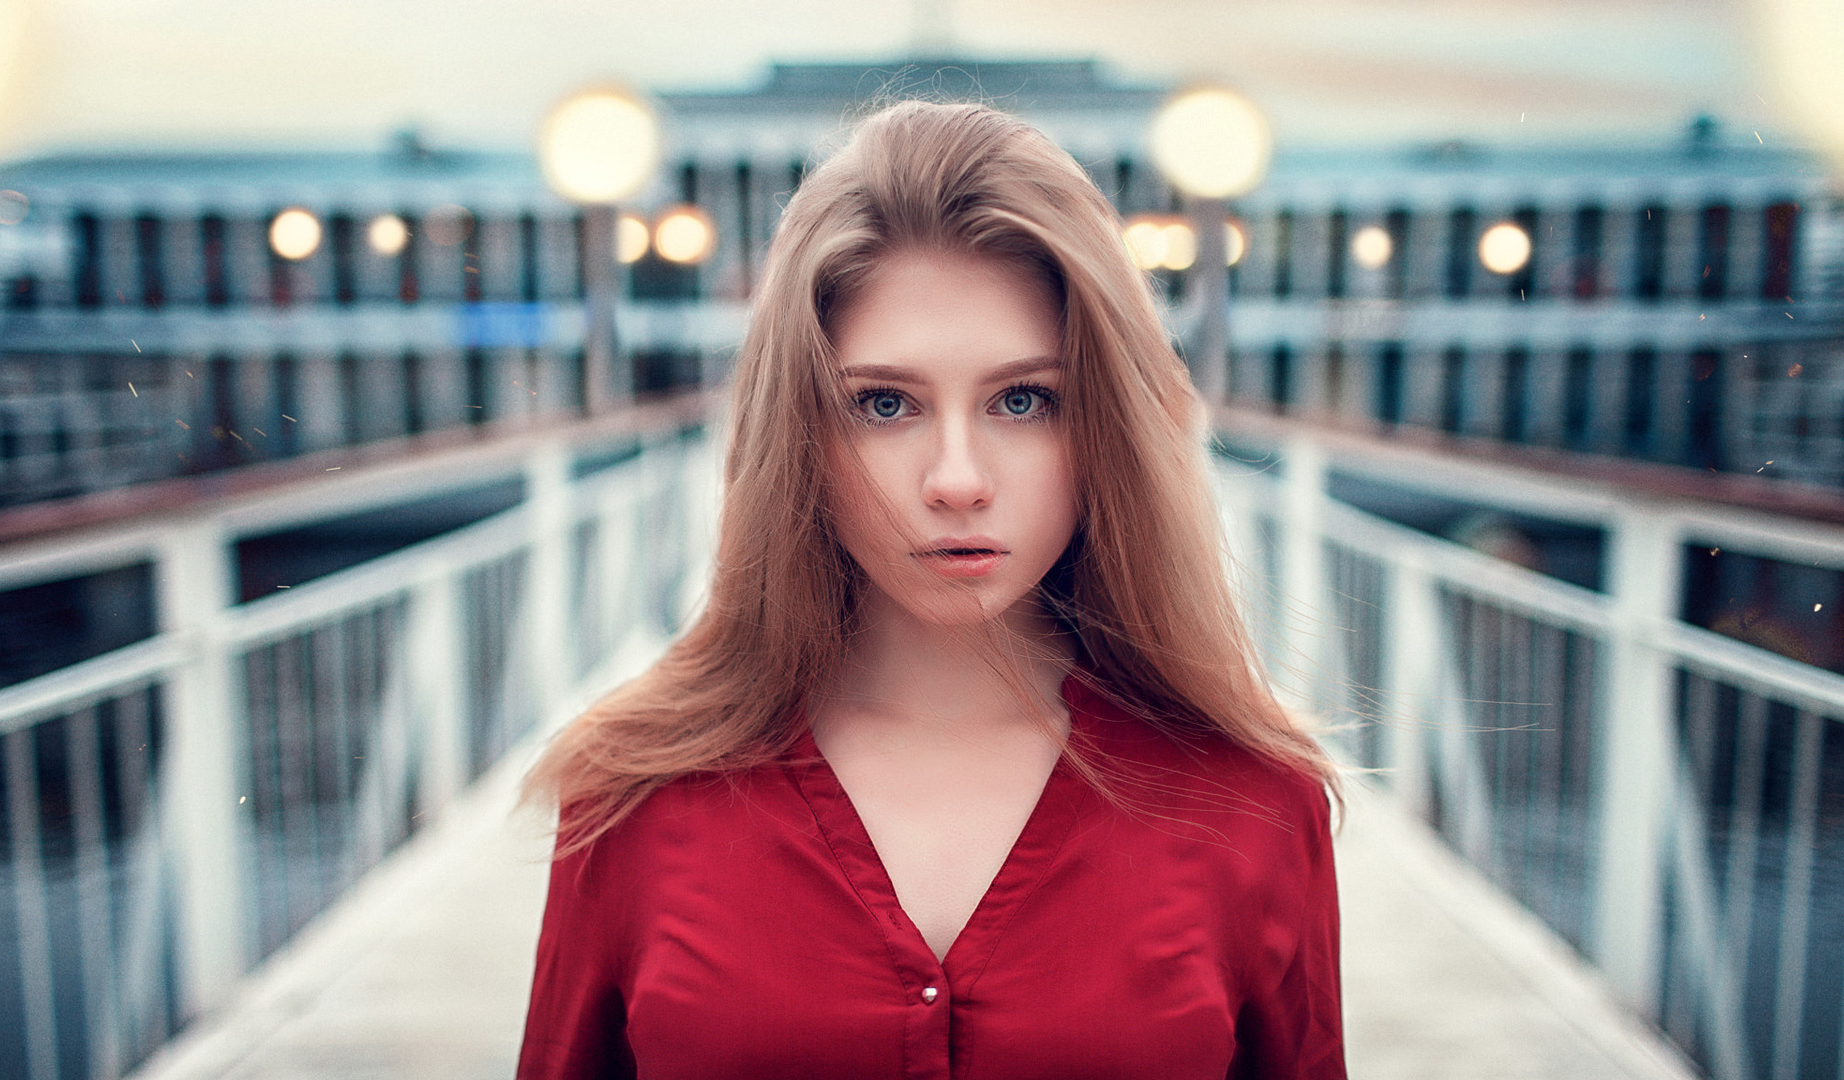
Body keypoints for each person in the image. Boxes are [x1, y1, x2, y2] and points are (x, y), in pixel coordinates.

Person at [518, 99, 1345, 1078]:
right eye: (884, 403)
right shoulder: (631, 800)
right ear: (803, 437)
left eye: (1024, 399)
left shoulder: (1250, 806)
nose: (957, 478)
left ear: (1105, 429)